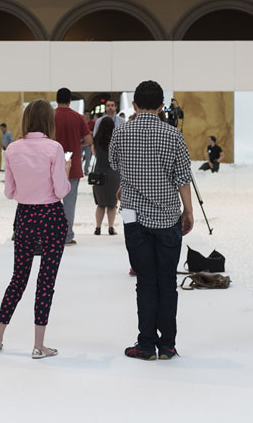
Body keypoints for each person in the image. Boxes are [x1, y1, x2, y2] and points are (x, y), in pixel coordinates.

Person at [109, 80, 194, 361]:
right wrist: (188, 211)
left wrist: (130, 182)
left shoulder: (121, 134)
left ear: (134, 105)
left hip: (135, 219)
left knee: (145, 281)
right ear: (161, 107)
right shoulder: (174, 136)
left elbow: (115, 165)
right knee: (167, 281)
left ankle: (145, 344)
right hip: (169, 216)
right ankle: (167, 345)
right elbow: (182, 178)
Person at [0, 100, 72, 359]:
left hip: (24, 216)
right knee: (45, 281)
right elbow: (61, 191)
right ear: (48, 121)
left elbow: (9, 192)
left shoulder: (12, 149)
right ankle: (38, 345)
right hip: (51, 217)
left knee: (18, 278)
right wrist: (66, 172)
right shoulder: (54, 148)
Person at [53, 87, 92, 246]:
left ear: (56, 100)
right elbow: (89, 140)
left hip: (52, 165)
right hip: (73, 164)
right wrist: (78, 143)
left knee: (51, 202)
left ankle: (51, 235)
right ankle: (67, 236)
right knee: (69, 203)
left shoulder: (51, 116)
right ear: (70, 101)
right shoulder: (77, 117)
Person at [91, 116, 120, 236]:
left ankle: (97, 227)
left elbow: (94, 153)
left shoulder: (96, 140)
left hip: (98, 173)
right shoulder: (116, 140)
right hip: (113, 174)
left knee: (100, 204)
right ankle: (111, 227)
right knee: (112, 205)